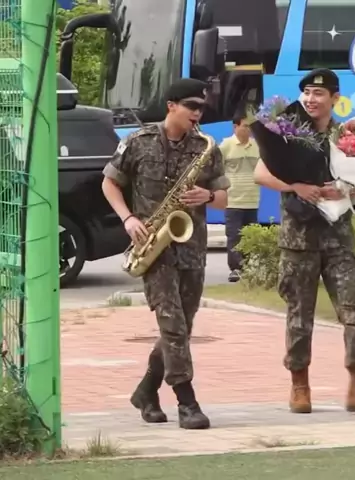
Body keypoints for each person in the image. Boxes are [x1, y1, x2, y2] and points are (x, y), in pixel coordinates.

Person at [253, 68, 355, 414]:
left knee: (354, 310)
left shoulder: (351, 135)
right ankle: (300, 385)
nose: (311, 99)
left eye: (319, 94)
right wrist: (295, 186)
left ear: (335, 99)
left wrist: (345, 190)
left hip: (339, 238)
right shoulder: (287, 132)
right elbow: (260, 173)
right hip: (299, 239)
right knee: (300, 315)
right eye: (307, 93)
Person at [101, 78, 230, 429]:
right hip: (153, 248)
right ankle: (187, 402)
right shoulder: (138, 142)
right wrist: (128, 218)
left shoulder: (206, 147)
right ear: (171, 105)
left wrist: (207, 196)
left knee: (182, 329)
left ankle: (146, 391)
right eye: (191, 106)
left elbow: (223, 198)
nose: (197, 113)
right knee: (172, 325)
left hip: (192, 247)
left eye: (202, 108)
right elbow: (109, 182)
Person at [219, 111, 261, 282]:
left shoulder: (257, 145)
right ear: (235, 126)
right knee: (234, 236)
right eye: (245, 126)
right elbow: (217, 170)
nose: (248, 129)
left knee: (250, 236)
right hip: (233, 200)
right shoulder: (226, 146)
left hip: (252, 199)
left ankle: (249, 268)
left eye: (250, 126)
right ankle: (236, 269)